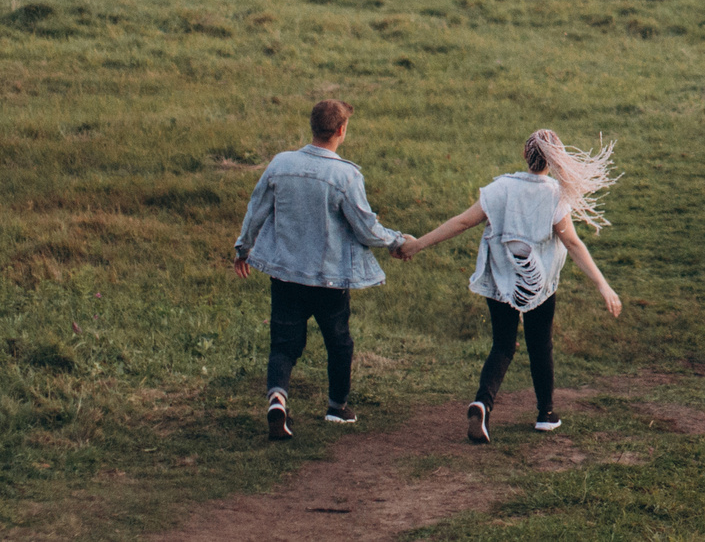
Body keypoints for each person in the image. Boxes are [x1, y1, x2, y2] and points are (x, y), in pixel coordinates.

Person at [402, 128, 623, 442]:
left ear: (524, 154)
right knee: (539, 344)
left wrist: (418, 245)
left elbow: (462, 222)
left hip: (501, 280)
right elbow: (572, 243)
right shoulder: (555, 195)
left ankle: (483, 402)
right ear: (555, 160)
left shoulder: (500, 188)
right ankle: (545, 413)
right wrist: (603, 284)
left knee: (503, 345)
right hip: (539, 284)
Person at [231, 98, 415, 441]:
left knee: (284, 344)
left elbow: (256, 208)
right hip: (329, 279)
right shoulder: (345, 174)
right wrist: (396, 241)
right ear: (341, 131)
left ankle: (277, 398)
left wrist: (243, 248)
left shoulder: (280, 163)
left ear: (312, 126)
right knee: (339, 342)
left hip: (285, 274)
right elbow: (365, 227)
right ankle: (337, 407)